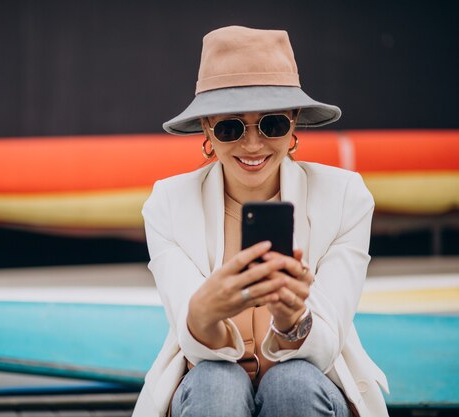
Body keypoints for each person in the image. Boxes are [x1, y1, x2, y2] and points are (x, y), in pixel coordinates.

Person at [131, 26, 389, 417]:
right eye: (230, 127)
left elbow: (325, 346)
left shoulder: (345, 197)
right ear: (206, 129)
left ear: (294, 123)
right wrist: (203, 312)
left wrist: (293, 321)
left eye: (272, 124)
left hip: (310, 388)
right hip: (208, 388)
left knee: (293, 383)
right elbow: (198, 351)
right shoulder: (168, 203)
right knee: (217, 381)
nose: (252, 145)